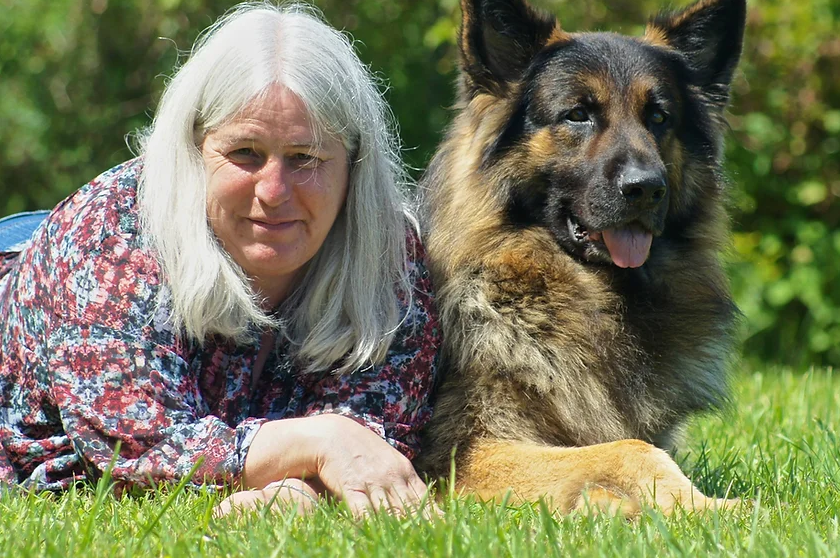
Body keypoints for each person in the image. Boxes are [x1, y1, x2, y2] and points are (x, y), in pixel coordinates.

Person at [0, 3, 440, 517]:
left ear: (354, 169)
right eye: (245, 154)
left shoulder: (392, 258)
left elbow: (375, 440)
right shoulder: (105, 237)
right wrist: (321, 443)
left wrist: (302, 487)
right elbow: (140, 448)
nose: (274, 191)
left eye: (306, 158)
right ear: (194, 149)